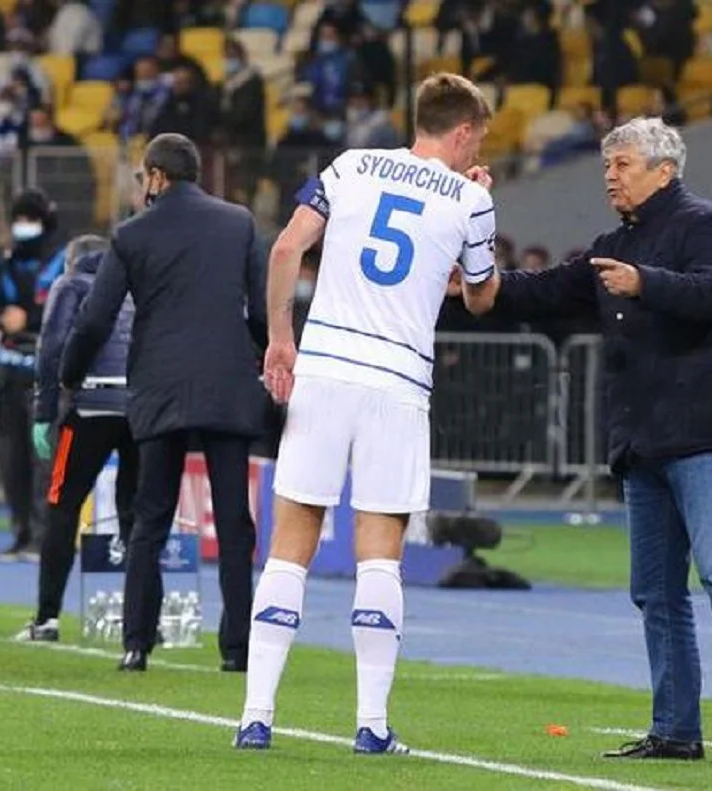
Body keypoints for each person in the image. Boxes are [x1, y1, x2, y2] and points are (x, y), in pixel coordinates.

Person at [474, 117, 712, 766]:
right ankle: (676, 728)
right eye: (607, 166)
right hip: (644, 436)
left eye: (622, 164)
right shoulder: (613, 244)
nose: (610, 177)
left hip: (704, 429)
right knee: (656, 590)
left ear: (664, 169)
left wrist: (645, 282)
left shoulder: (708, 224)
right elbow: (548, 289)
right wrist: (482, 286)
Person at [233, 72, 498, 755]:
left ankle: (256, 715)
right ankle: (371, 723)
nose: (478, 151)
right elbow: (481, 297)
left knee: (290, 542)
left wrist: (281, 339)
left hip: (324, 369)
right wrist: (475, 224)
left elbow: (286, 247)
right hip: (396, 383)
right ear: (463, 131)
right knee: (379, 552)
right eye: (479, 138)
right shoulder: (471, 198)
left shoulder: (350, 166)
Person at [60, 133, 268, 673]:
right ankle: (239, 649)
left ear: (156, 176)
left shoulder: (132, 234)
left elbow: (95, 319)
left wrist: (69, 375)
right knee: (234, 522)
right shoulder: (238, 223)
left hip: (160, 386)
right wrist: (264, 356)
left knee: (149, 517)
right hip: (226, 382)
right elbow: (262, 312)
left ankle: (137, 643)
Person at [17, 234, 140, 642]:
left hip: (89, 405)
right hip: (140, 408)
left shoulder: (70, 285)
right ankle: (144, 619)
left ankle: (47, 618)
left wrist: (44, 411)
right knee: (138, 515)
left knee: (62, 506)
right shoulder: (138, 283)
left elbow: (52, 348)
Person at [0, 188, 66, 562]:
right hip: (8, 369)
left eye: (30, 219)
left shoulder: (61, 259)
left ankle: (42, 535)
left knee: (43, 459)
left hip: (42, 373)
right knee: (11, 459)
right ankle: (20, 531)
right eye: (18, 219)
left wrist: (29, 319)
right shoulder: (7, 261)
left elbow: (67, 308)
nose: (23, 227)